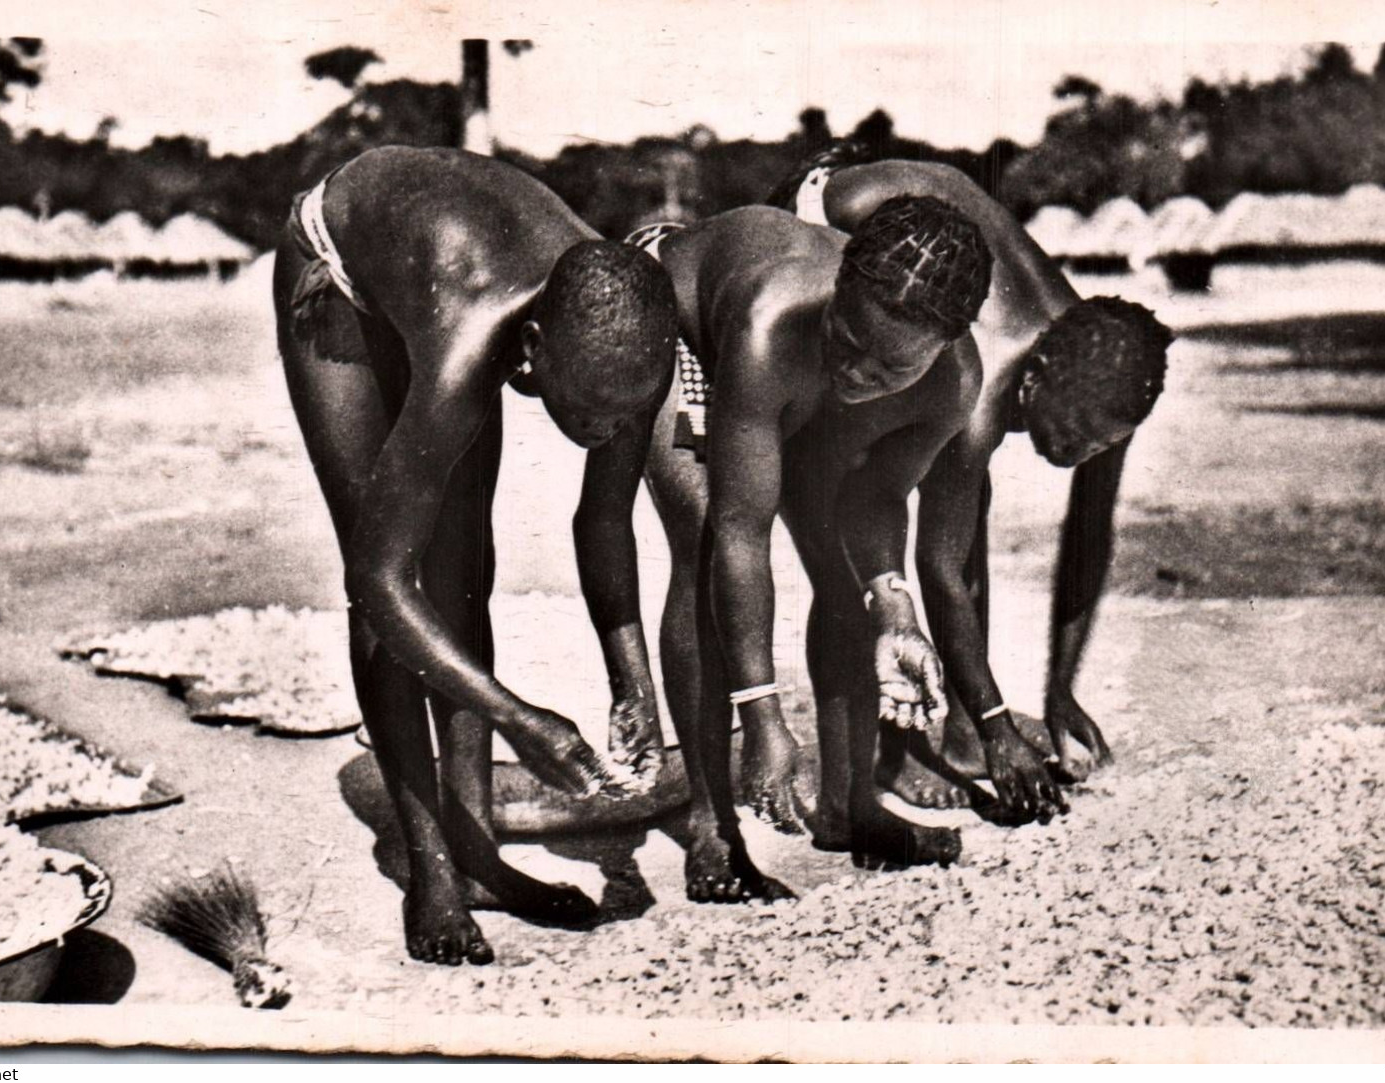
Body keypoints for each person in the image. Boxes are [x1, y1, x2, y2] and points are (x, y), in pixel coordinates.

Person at [273, 146, 679, 965]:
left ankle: (478, 852)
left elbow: (603, 523)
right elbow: (378, 583)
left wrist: (632, 684)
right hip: (340, 262)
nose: (605, 432)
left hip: (453, 261)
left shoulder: (630, 346)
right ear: (530, 350)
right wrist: (514, 717)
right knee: (391, 573)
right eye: (589, 414)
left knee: (467, 571)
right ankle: (433, 867)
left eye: (620, 418)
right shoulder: (474, 339)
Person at [632, 195, 1026, 900]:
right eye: (847, 340)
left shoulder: (951, 382)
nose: (857, 374)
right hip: (683, 321)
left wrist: (895, 608)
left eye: (887, 370)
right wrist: (761, 714)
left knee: (847, 584)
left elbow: (873, 501)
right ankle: (710, 825)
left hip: (792, 374)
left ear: (944, 347)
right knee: (700, 545)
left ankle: (852, 808)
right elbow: (740, 530)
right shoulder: (771, 325)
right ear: (838, 289)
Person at [768, 150, 1172, 810]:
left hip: (923, 202)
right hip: (832, 210)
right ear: (1036, 382)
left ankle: (960, 727)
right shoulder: (984, 378)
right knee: (866, 505)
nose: (1075, 454)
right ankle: (891, 752)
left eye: (1095, 445)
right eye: (1070, 433)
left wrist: (1059, 687)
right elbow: (936, 564)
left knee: (964, 495)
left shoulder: (1109, 372)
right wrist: (999, 727)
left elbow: (1088, 535)